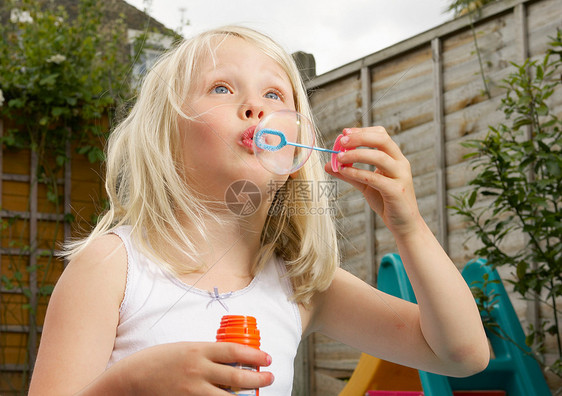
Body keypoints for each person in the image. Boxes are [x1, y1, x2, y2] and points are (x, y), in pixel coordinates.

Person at [28, 26, 489, 395]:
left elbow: (461, 355)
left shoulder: (301, 285)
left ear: (293, 153)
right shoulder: (113, 267)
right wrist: (128, 386)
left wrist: (407, 225)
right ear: (166, 138)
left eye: (274, 96)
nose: (254, 107)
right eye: (222, 88)